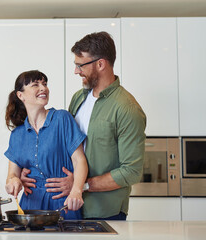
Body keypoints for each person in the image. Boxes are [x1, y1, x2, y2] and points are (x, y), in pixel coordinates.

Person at [21, 32, 146, 220]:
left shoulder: (127, 109)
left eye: (80, 65)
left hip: (104, 212)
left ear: (100, 64)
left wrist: (81, 185)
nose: (76, 71)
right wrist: (31, 170)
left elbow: (131, 171)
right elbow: (62, 146)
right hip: (67, 208)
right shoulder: (79, 98)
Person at [4, 70, 88, 220]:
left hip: (63, 204)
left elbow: (79, 160)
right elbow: (12, 174)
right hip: (30, 206)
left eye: (44, 84)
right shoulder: (17, 134)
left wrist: (77, 190)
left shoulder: (62, 119)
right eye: (35, 85)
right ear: (20, 95)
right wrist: (13, 181)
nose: (43, 88)